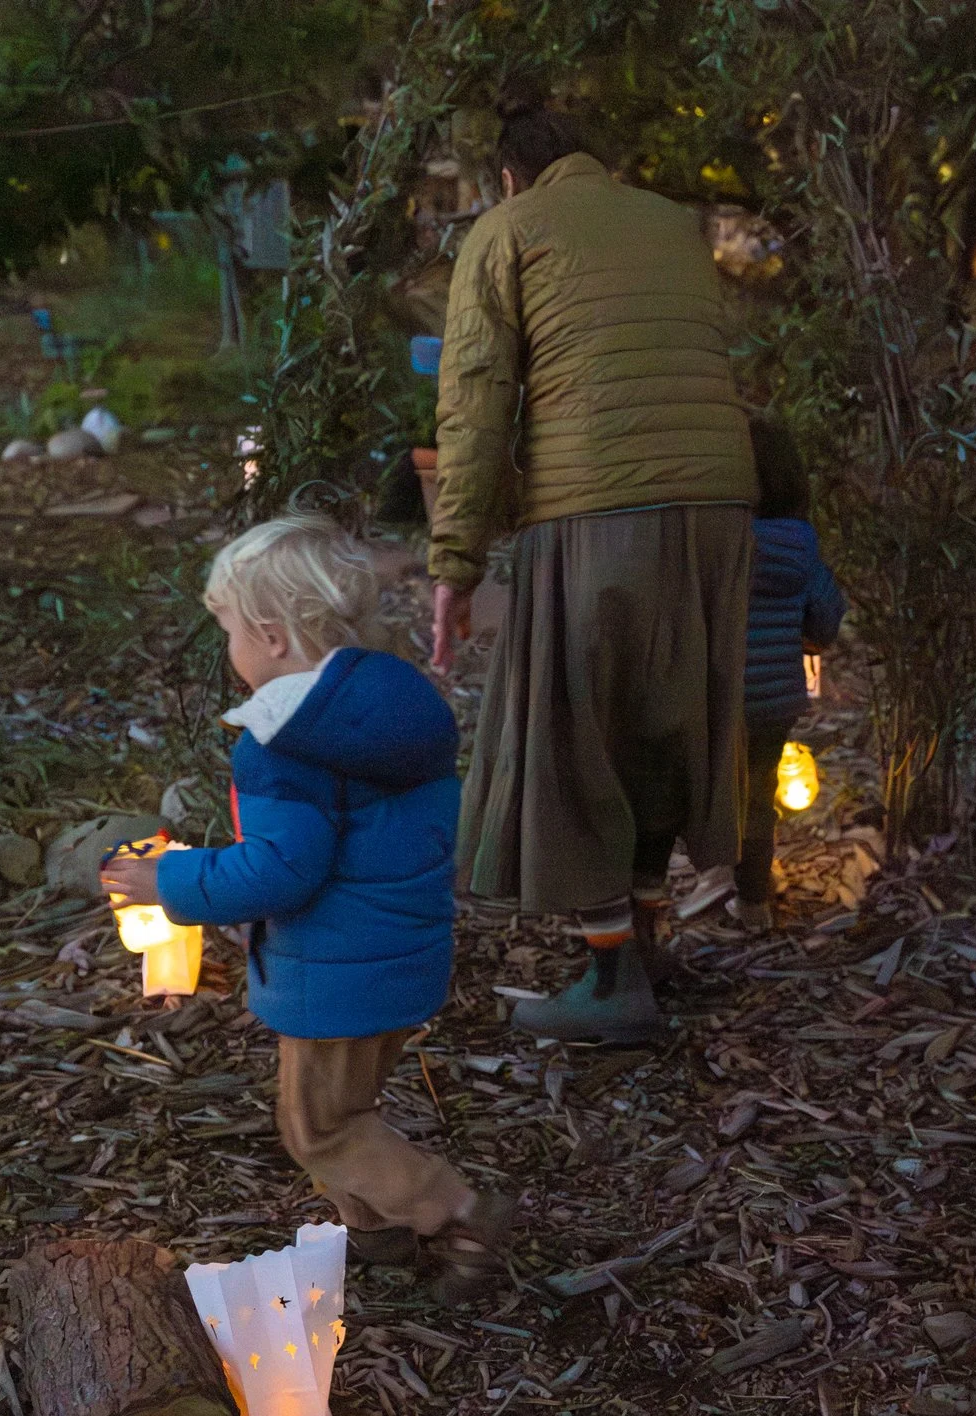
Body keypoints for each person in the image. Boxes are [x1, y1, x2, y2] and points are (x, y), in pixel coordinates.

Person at [101, 515, 514, 1301]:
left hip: (336, 974)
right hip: (401, 954)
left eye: (228, 631)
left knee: (317, 1126)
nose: (230, 653)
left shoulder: (284, 744)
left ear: (271, 634)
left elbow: (282, 872)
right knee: (344, 1109)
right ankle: (377, 1234)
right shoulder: (392, 708)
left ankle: (457, 1212)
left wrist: (175, 882)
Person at [429, 90, 757, 1045]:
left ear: (508, 175)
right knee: (669, 725)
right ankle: (647, 950)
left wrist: (454, 561)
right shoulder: (669, 222)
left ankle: (612, 980)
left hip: (594, 508)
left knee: (572, 739)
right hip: (721, 506)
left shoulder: (509, 229)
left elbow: (477, 398)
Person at [686, 413, 845, 931]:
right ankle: (753, 902)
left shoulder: (710, 535)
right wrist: (808, 638)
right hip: (773, 699)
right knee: (757, 798)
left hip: (709, 693)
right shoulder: (797, 541)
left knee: (704, 788)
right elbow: (824, 608)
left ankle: (704, 875)